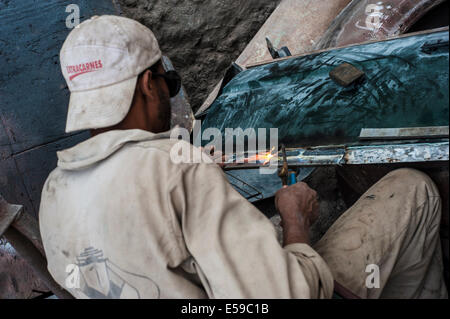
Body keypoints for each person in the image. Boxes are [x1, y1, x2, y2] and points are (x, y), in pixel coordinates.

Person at [39, 15, 447, 299]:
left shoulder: (54, 192)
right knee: (414, 189)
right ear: (149, 84)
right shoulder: (177, 169)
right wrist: (295, 222)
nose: (168, 91)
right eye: (170, 82)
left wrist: (200, 184)